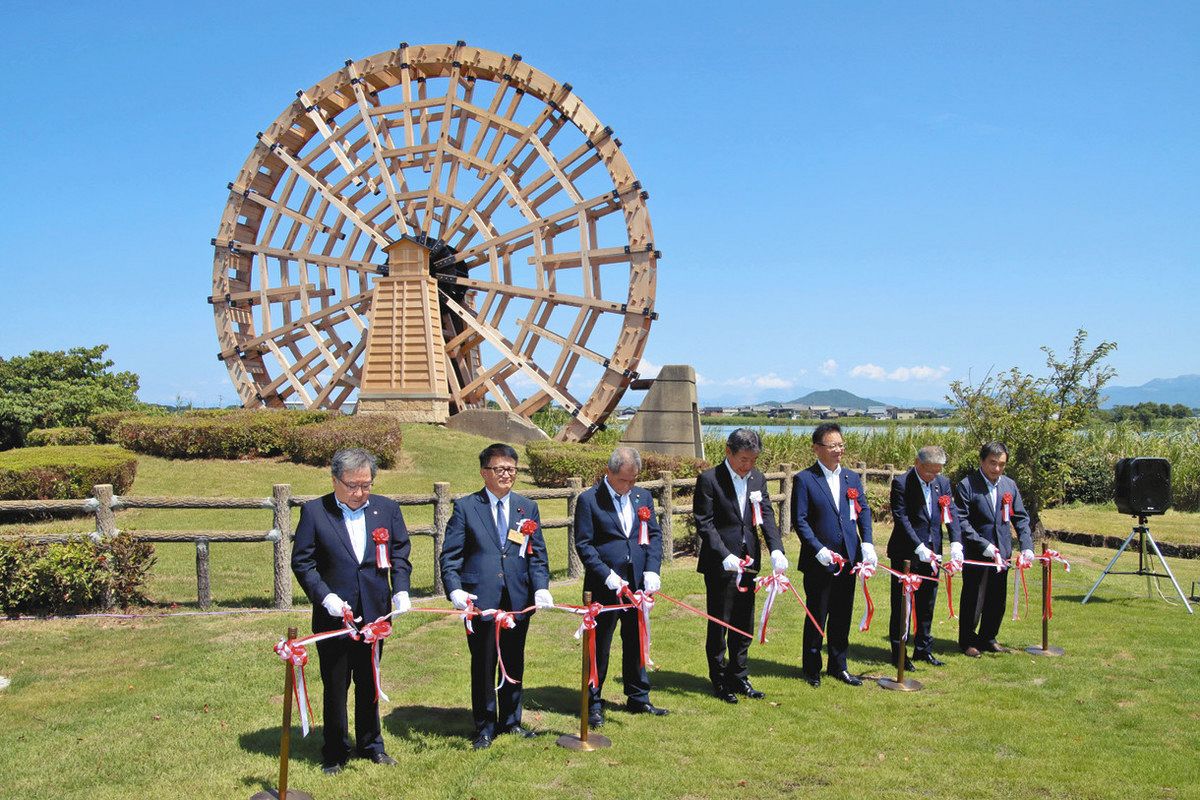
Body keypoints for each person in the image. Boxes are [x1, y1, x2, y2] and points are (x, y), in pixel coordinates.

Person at [291, 447, 412, 775]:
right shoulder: (316, 512)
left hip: (375, 613)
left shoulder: (386, 509)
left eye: (366, 485)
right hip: (335, 616)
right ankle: (334, 751)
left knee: (370, 680)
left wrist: (400, 589)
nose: (359, 492)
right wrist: (325, 597)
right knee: (335, 683)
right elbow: (303, 562)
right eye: (352, 485)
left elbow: (400, 553)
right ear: (335, 480)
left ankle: (372, 744)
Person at [440, 443, 553, 750]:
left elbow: (537, 554)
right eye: (500, 469)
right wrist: (455, 590)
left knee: (515, 660)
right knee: (484, 662)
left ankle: (511, 721)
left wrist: (540, 586)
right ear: (484, 472)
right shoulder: (466, 507)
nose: (507, 475)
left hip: (517, 598)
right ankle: (484, 726)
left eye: (512, 469)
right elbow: (450, 557)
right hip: (481, 600)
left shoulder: (526, 507)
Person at [574, 446, 666, 726]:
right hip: (605, 587)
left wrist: (651, 569)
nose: (629, 486)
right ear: (609, 472)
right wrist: (606, 574)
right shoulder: (590, 500)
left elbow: (653, 535)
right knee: (599, 646)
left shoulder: (642, 497)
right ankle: (593, 702)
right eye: (624, 480)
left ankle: (638, 697)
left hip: (637, 583)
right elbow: (584, 544)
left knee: (637, 641)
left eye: (633, 479)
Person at [693, 428, 787, 703]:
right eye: (743, 459)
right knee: (720, 622)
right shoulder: (710, 479)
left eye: (753, 460)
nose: (748, 465)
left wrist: (776, 549)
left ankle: (739, 675)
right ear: (728, 452)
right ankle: (720, 679)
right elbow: (705, 522)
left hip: (749, 560)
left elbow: (766, 514)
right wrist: (723, 554)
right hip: (721, 562)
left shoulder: (757, 479)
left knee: (744, 622)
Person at [791, 422, 878, 687]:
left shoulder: (851, 478)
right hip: (821, 563)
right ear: (817, 449)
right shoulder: (805, 479)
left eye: (841, 445)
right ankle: (812, 668)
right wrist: (818, 550)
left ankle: (839, 665)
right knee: (818, 614)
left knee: (842, 615)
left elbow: (863, 512)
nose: (839, 450)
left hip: (849, 560)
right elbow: (801, 520)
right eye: (833, 446)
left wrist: (868, 544)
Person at [954, 441, 1035, 657]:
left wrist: (1027, 546)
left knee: (997, 599)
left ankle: (988, 637)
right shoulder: (967, 485)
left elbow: (1021, 518)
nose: (997, 469)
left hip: (1003, 553)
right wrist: (983, 544)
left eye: (1001, 464)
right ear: (982, 461)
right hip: (977, 553)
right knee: (974, 597)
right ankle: (967, 640)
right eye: (992, 463)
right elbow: (961, 521)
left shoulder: (1009, 485)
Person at [886, 445, 962, 669]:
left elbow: (951, 514)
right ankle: (899, 652)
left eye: (937, 471)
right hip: (907, 553)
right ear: (918, 463)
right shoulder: (902, 483)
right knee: (903, 605)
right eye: (929, 470)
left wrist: (956, 542)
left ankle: (923, 649)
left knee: (927, 603)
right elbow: (902, 518)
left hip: (933, 552)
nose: (933, 475)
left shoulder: (943, 484)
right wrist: (918, 546)